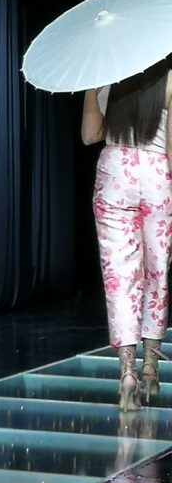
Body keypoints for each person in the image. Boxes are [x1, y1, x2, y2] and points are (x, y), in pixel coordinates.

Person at [81, 58, 172, 412]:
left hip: (115, 171)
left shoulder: (105, 73)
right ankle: (150, 367)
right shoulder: (169, 79)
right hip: (157, 173)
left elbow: (90, 135)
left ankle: (126, 372)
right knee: (156, 272)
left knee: (120, 276)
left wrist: (95, 89)